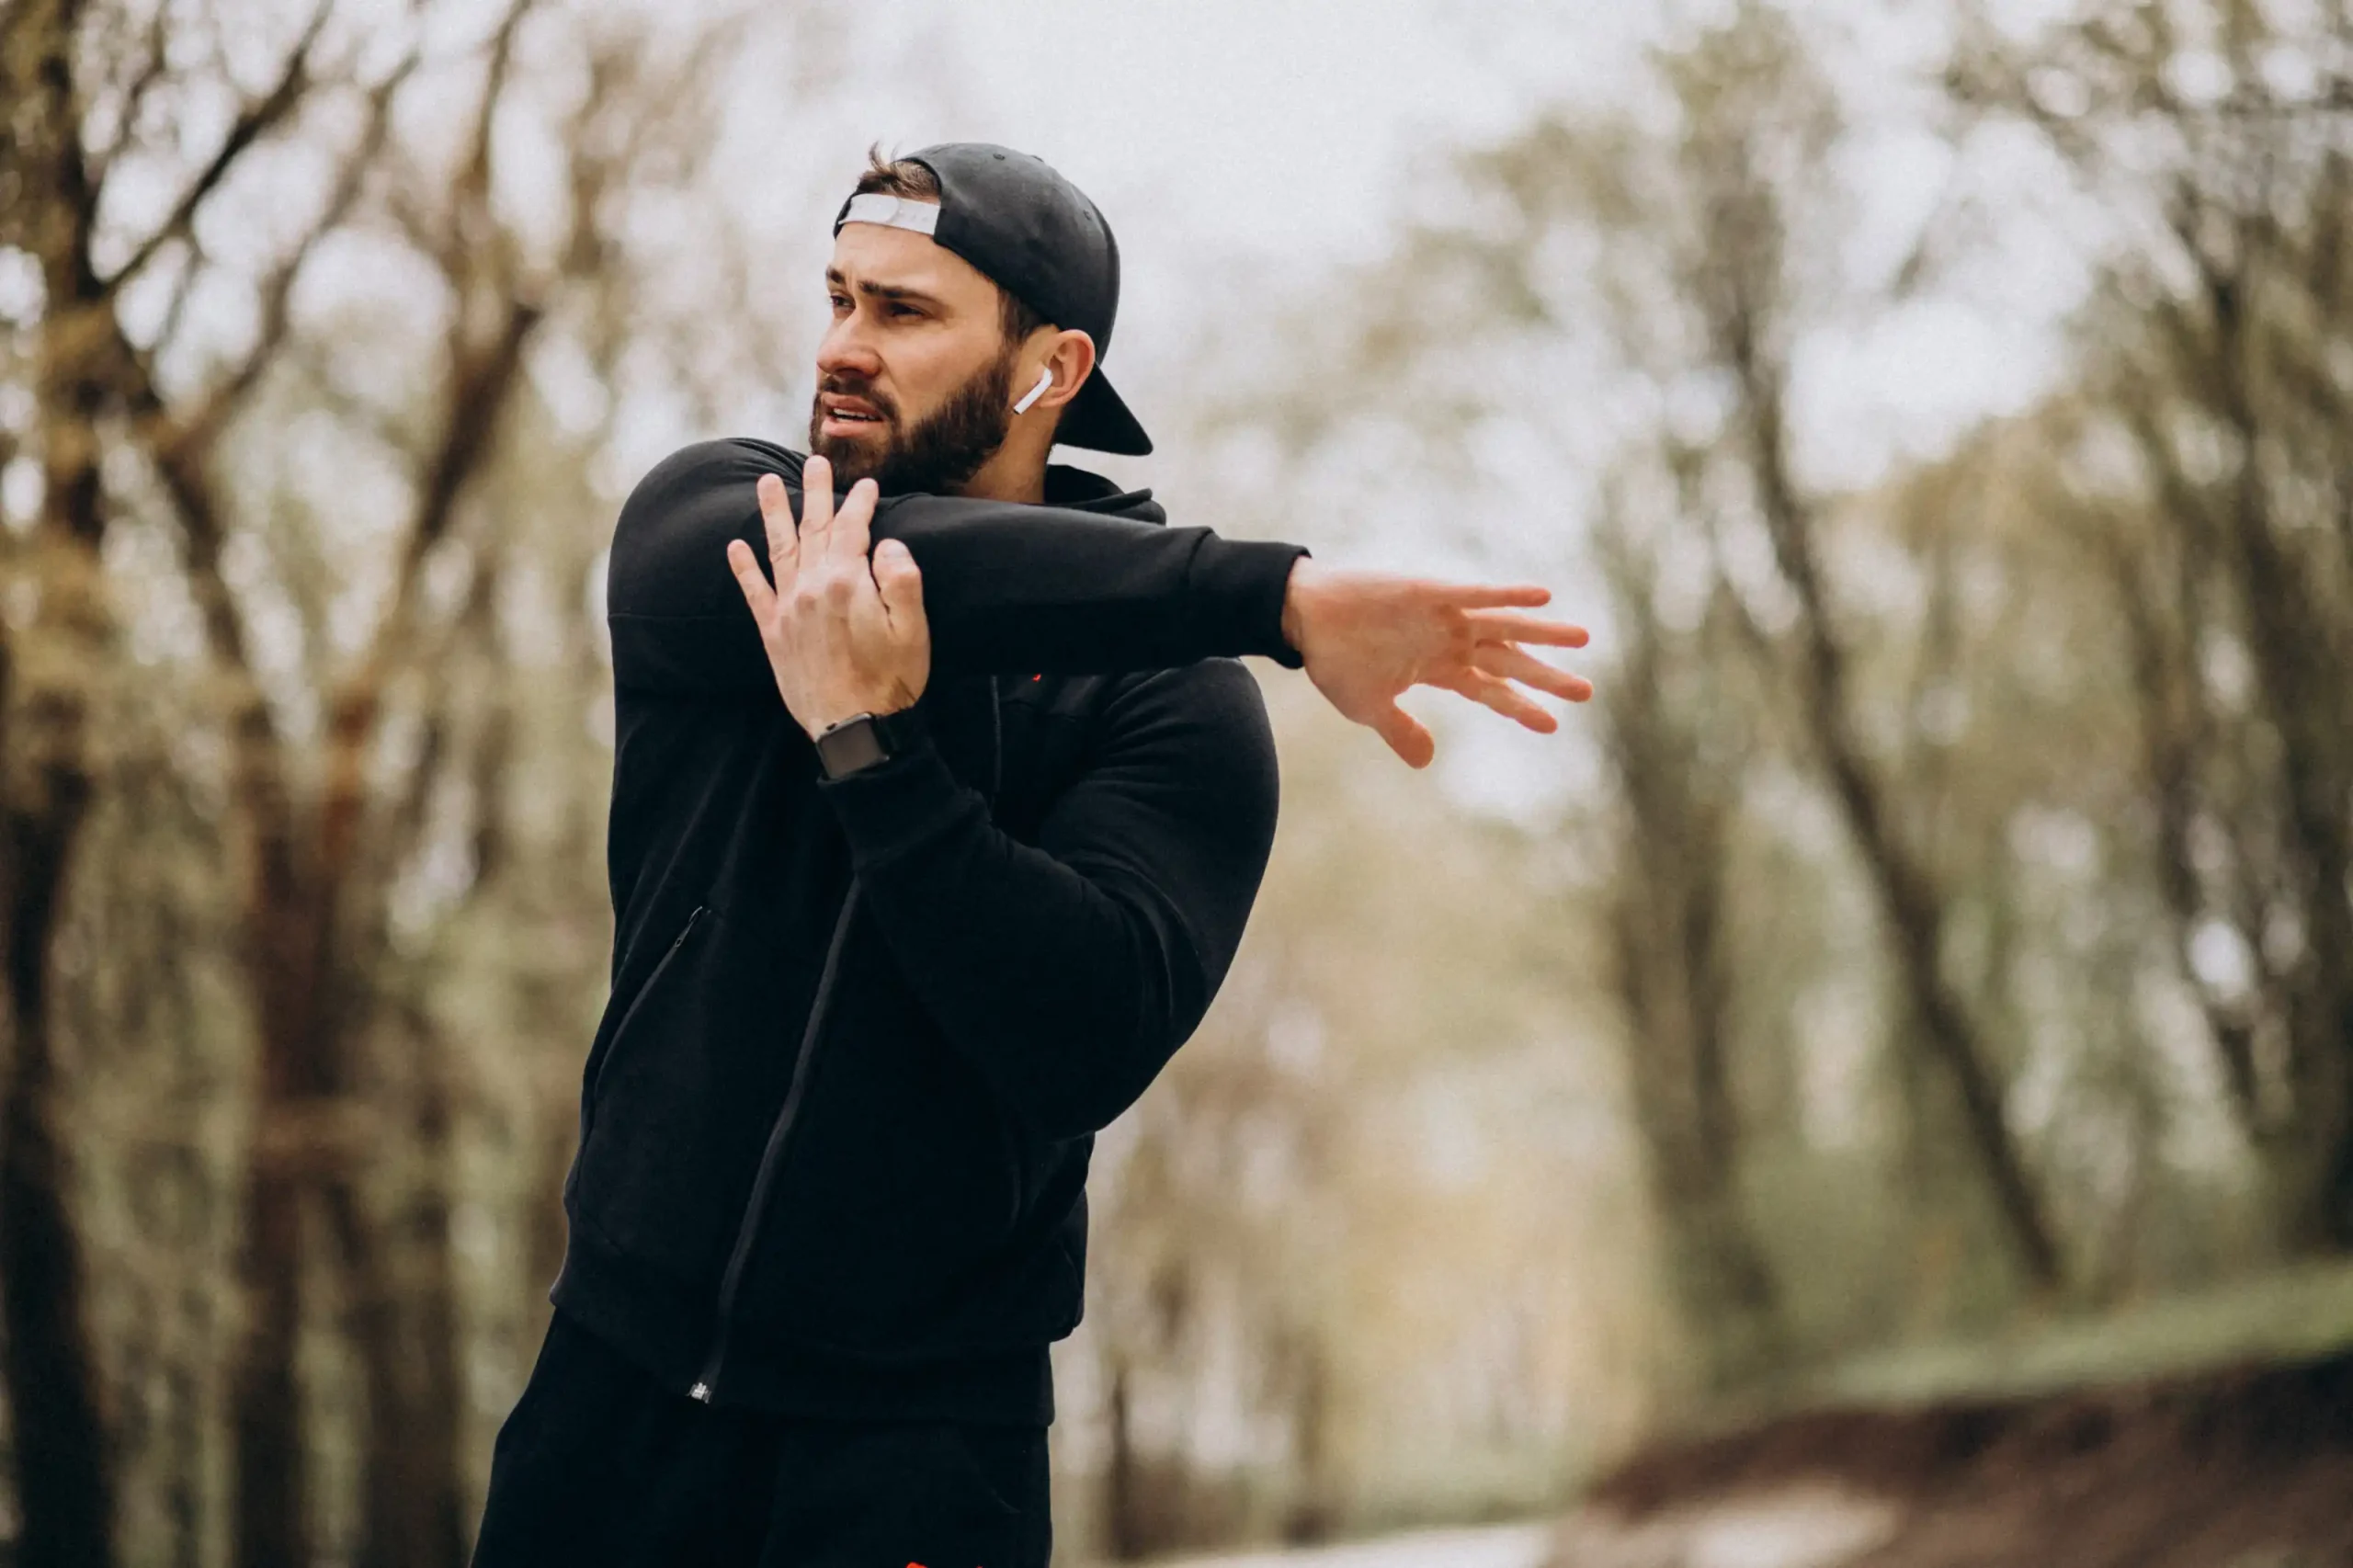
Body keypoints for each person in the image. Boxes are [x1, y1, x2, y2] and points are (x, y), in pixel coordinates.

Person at [471, 142, 1591, 1568]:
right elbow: (898, 567)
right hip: (611, 1403)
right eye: (838, 298)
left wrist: (876, 756)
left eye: (904, 314)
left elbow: (1079, 1034)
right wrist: (1279, 596)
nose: (841, 349)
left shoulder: (1176, 697)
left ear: (1050, 370)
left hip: (924, 1463)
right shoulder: (727, 533)